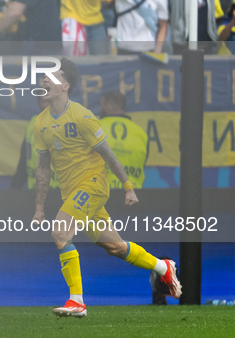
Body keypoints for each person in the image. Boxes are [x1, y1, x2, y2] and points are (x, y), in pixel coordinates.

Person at [32, 58, 181, 317]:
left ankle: (76, 300)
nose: (45, 80)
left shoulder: (82, 116)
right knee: (115, 247)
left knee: (60, 232)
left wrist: (127, 186)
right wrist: (39, 207)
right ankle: (162, 266)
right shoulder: (40, 123)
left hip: (93, 184)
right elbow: (43, 168)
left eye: (52, 77)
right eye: (44, 76)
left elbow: (108, 155)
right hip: (73, 193)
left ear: (65, 85)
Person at [99, 91, 148, 189]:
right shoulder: (141, 133)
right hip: (132, 195)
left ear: (107, 106)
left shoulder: (96, 128)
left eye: (101, 105)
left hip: (101, 195)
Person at [11, 95, 59, 189]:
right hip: (36, 193)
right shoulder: (32, 127)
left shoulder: (69, 128)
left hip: (60, 196)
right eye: (44, 101)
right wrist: (12, 191)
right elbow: (23, 165)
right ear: (39, 103)